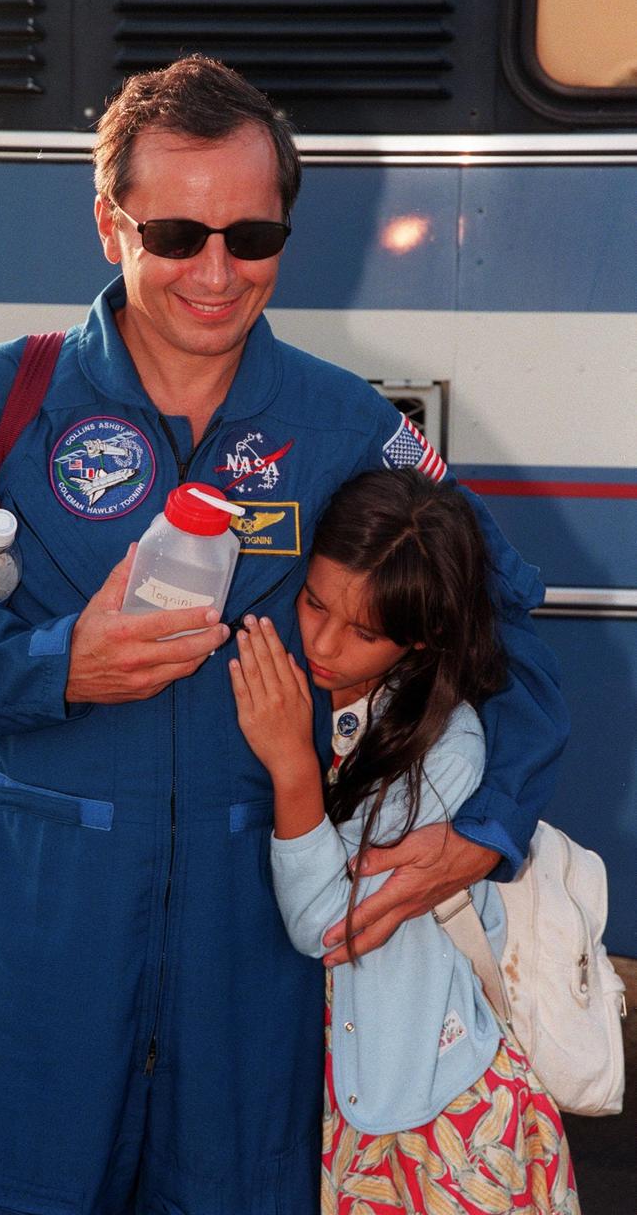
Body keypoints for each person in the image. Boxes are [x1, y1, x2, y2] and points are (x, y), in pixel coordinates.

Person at [0, 56, 568, 1214]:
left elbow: (502, 630)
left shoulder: (346, 423)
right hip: (40, 907)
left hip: (253, 932)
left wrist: (490, 821)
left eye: (250, 234)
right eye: (174, 232)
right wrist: (54, 665)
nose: (215, 272)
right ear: (107, 223)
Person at [229, 468, 580, 1215]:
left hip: (433, 1121)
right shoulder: (308, 692)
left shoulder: (447, 747)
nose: (322, 643)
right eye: (314, 601)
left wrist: (293, 765)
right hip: (325, 1104)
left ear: (421, 636)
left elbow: (328, 924)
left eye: (364, 632)